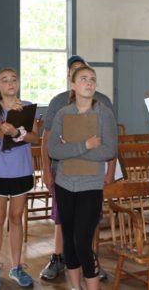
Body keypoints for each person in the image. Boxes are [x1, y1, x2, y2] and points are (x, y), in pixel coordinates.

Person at [40, 55, 116, 280]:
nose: (87, 81)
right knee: (63, 221)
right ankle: (59, 258)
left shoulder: (103, 105)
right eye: (79, 75)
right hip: (63, 172)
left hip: (92, 176)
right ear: (71, 79)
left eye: (89, 76)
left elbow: (110, 145)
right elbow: (49, 142)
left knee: (88, 223)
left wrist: (110, 170)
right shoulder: (59, 104)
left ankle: (89, 259)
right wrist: (46, 169)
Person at [0, 67, 39, 289]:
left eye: (13, 79)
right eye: (4, 80)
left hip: (22, 170)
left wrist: (19, 128)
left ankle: (16, 267)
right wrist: (13, 119)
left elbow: (35, 137)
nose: (9, 83)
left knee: (16, 218)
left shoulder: (28, 107)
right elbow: (0, 132)